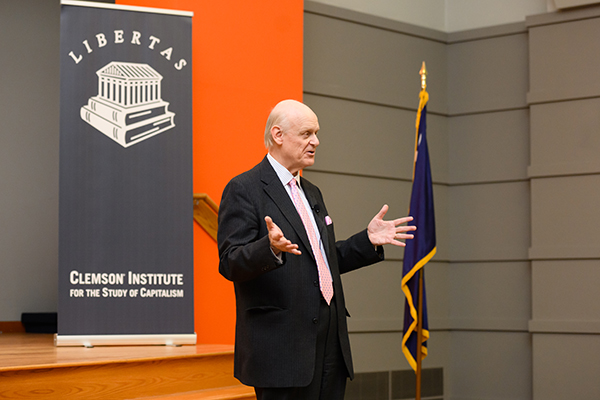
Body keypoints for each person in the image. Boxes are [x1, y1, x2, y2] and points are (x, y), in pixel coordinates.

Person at [217, 99, 416, 400]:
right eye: (307, 133)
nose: (316, 141)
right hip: (281, 350)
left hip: (329, 344)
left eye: (317, 133)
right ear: (278, 135)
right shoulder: (244, 188)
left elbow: (321, 261)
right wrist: (268, 249)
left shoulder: (311, 192)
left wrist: (367, 240)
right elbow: (230, 262)